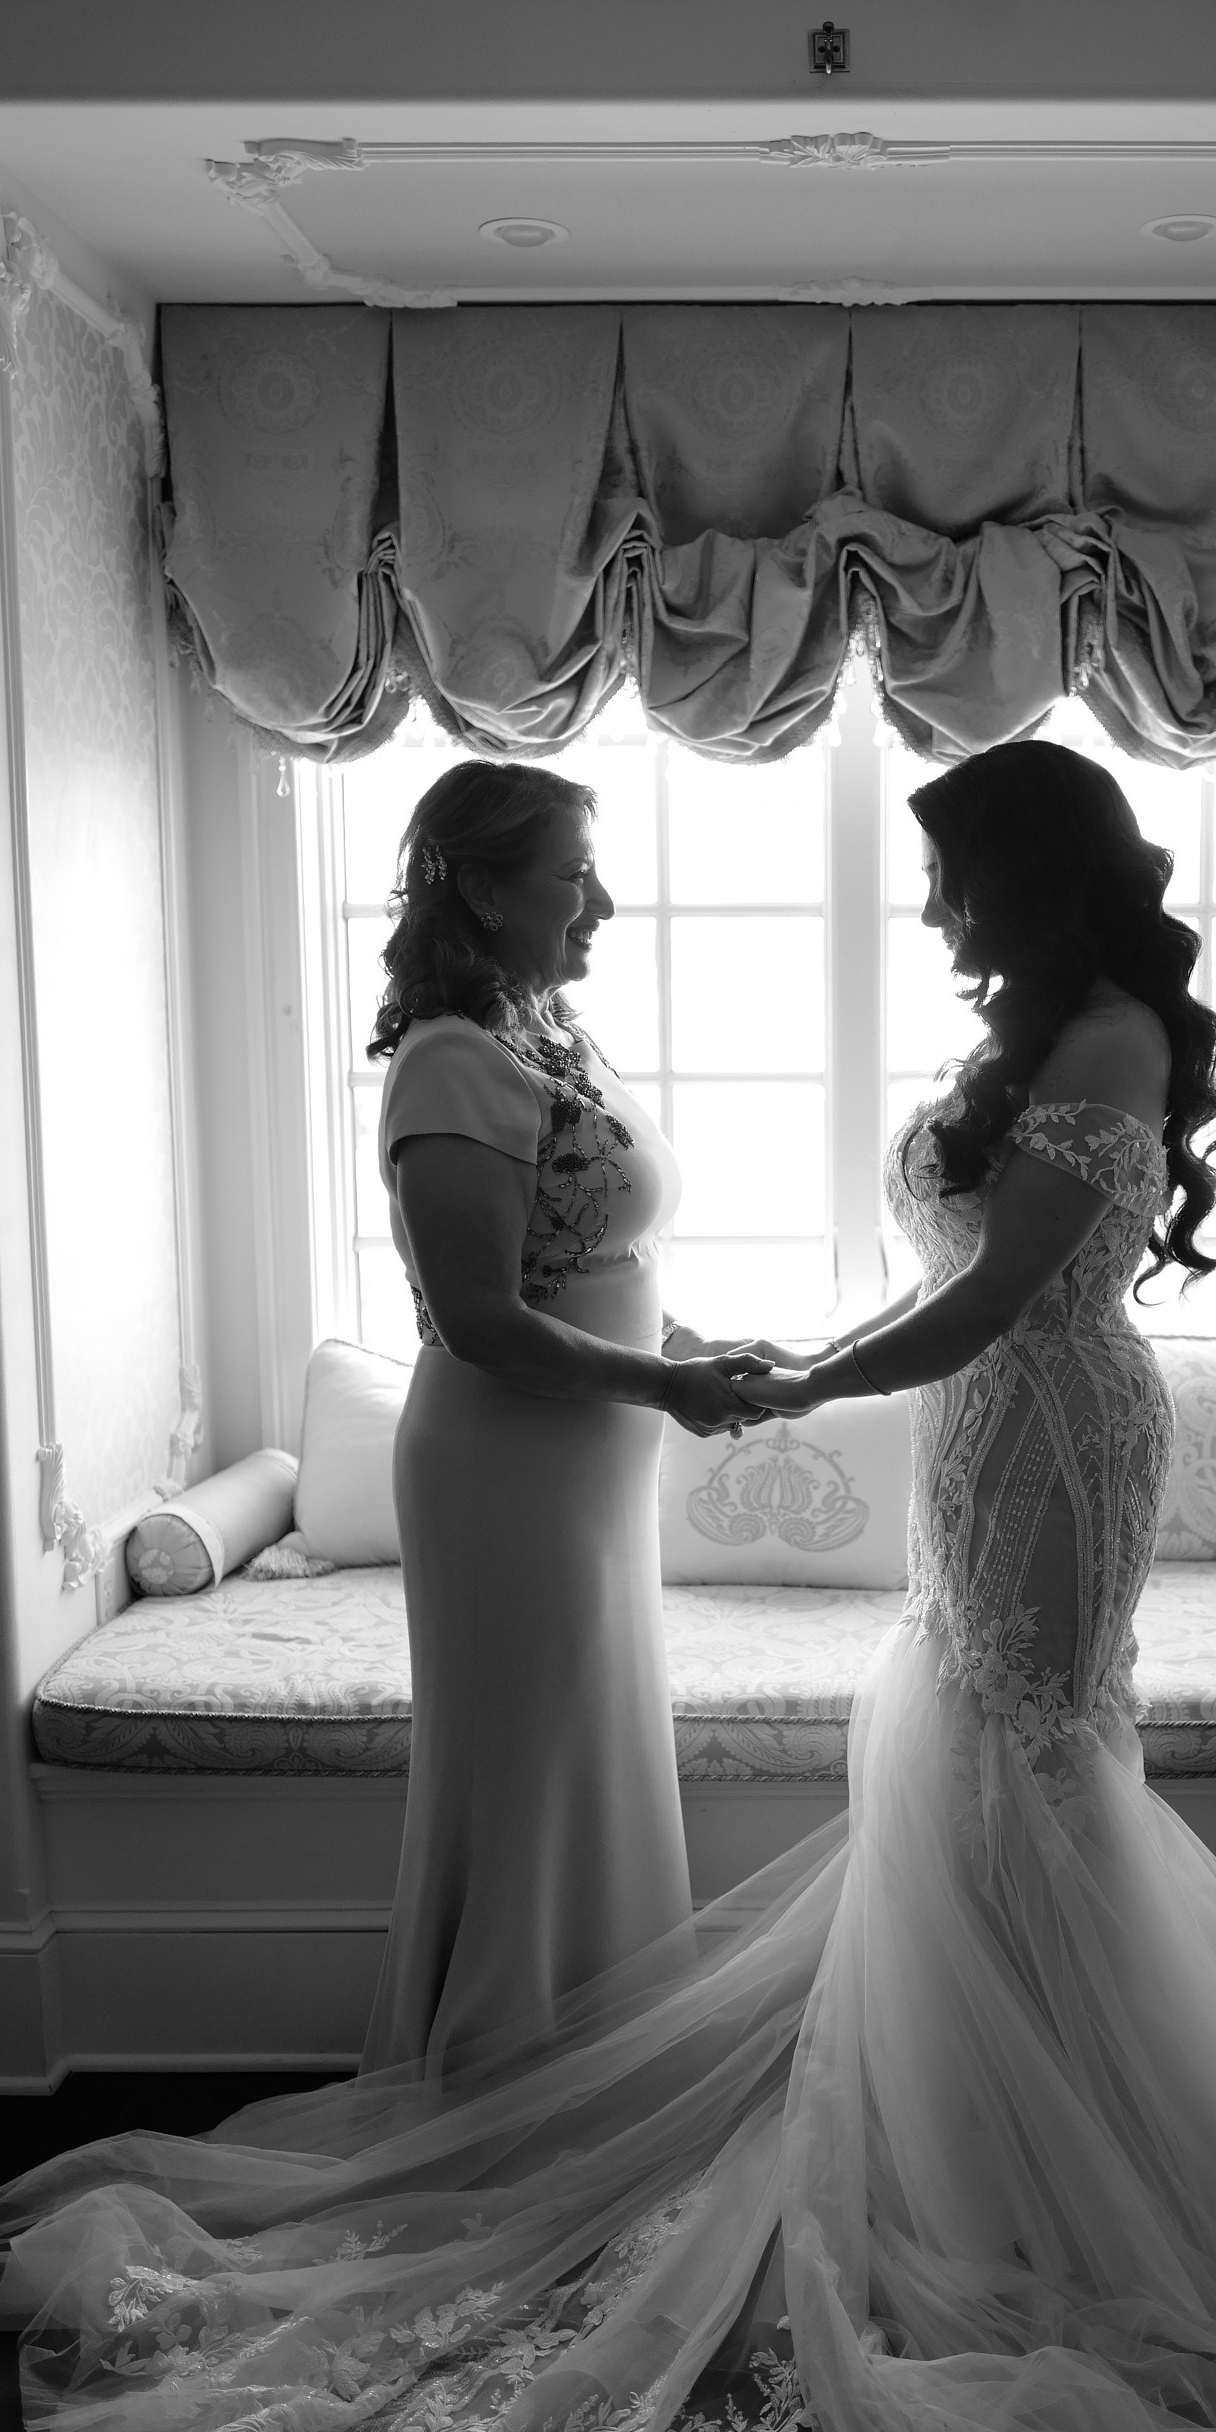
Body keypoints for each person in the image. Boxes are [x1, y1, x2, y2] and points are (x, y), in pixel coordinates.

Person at [0, 738, 1216, 2432]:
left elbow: (1007, 1293)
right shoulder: (1008, 1026)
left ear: (1036, 886)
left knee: (1019, 1761)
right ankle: (993, 2135)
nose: (930, 925)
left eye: (950, 888)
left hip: (1044, 1451)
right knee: (970, 1761)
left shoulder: (1102, 1038)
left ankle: (1055, 2172)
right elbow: (897, 1285)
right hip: (971, 1441)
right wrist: (755, 1368)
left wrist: (777, 1385)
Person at [357, 760, 768, 2072]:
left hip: (583, 1471)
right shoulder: (450, 1066)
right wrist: (663, 1385)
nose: (600, 902)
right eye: (571, 875)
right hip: (507, 1473)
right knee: (529, 1767)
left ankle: (597, 2044)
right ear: (480, 888)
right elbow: (477, 1316)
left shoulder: (547, 1035)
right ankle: (501, 2064)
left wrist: (683, 1347)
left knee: (589, 1747)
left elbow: (581, 1265)